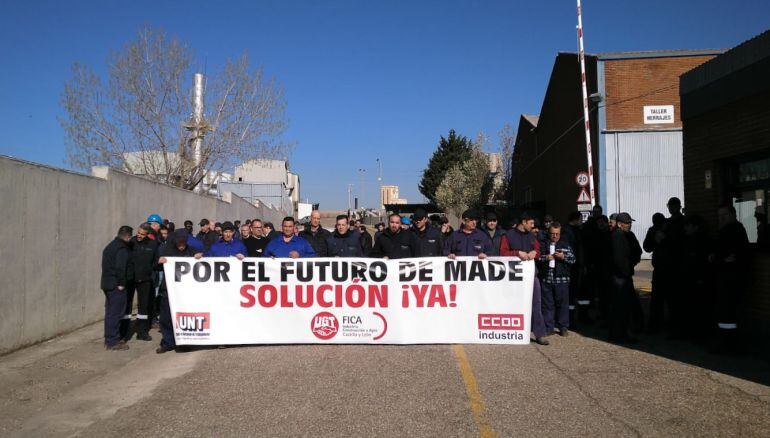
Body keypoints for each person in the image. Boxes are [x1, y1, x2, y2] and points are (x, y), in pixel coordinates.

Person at [500, 213, 548, 345]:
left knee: (536, 304)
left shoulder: (532, 236)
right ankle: (511, 332)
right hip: (513, 277)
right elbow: (503, 253)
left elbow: (538, 250)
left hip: (531, 276)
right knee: (512, 303)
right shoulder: (508, 235)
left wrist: (535, 253)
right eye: (531, 223)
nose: (533, 226)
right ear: (524, 222)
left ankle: (540, 334)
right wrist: (517, 253)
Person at [710, 205, 750, 353]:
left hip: (732, 279)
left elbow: (731, 256)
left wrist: (718, 259)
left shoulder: (736, 230)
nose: (722, 218)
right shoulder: (726, 231)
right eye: (719, 215)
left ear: (733, 214)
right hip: (724, 278)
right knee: (724, 313)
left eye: (725, 215)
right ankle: (726, 342)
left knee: (729, 313)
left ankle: (729, 344)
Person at [155, 230, 203, 354]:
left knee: (184, 317)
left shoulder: (191, 250)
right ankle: (168, 342)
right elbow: (155, 265)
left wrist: (199, 257)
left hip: (186, 291)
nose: (181, 245)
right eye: (179, 243)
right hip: (168, 289)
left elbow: (203, 263)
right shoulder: (167, 250)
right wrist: (159, 262)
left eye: (183, 243)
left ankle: (184, 342)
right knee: (166, 318)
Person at [121, 223, 159, 342]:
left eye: (142, 234)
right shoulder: (130, 242)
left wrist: (160, 263)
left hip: (145, 280)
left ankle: (142, 332)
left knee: (144, 307)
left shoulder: (153, 245)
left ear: (147, 234)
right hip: (130, 280)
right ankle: (123, 333)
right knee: (127, 306)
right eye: (138, 233)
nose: (139, 236)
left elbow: (155, 262)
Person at [609, 212, 643, 343]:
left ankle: (622, 332)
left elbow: (637, 251)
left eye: (630, 222)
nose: (629, 225)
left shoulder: (627, 235)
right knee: (621, 306)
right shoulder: (617, 236)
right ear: (619, 224)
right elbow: (618, 259)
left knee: (625, 305)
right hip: (620, 276)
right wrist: (626, 269)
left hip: (625, 274)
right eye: (627, 223)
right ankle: (619, 334)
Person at [537, 222, 575, 337]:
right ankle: (549, 327)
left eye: (557, 234)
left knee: (562, 304)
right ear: (549, 233)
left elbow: (573, 260)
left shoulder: (565, 244)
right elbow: (537, 258)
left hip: (561, 279)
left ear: (560, 233)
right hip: (546, 279)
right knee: (547, 304)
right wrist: (545, 257)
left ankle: (563, 327)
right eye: (552, 233)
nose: (554, 236)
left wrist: (563, 257)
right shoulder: (543, 244)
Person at [101, 226, 133, 351]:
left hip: (108, 284)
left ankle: (110, 339)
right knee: (116, 313)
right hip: (116, 285)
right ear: (128, 236)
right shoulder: (121, 249)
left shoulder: (110, 246)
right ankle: (112, 341)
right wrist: (122, 283)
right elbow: (121, 268)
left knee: (110, 313)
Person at [643, 212, 667, 333]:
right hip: (659, 268)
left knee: (662, 298)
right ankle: (656, 323)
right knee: (657, 298)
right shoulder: (653, 231)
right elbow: (647, 246)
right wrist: (655, 240)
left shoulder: (668, 228)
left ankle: (658, 323)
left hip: (669, 267)